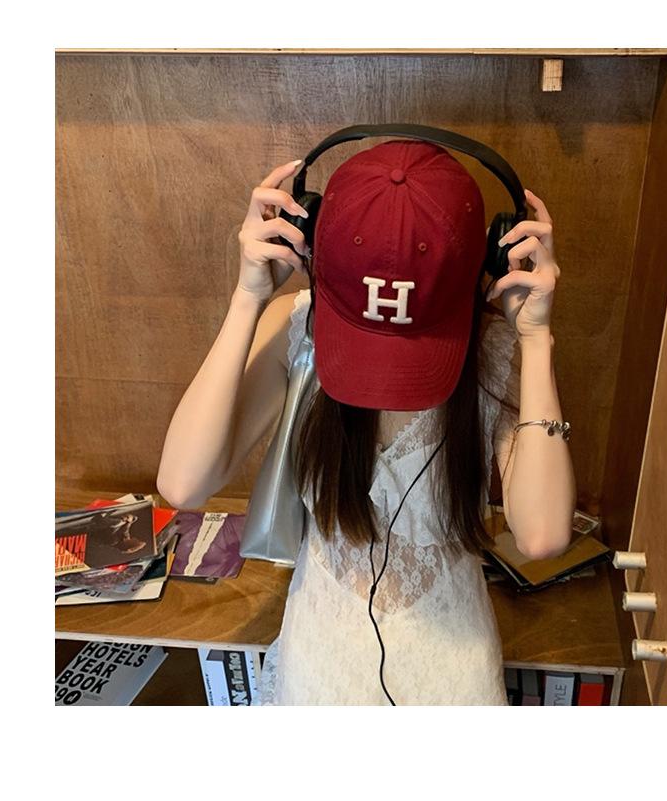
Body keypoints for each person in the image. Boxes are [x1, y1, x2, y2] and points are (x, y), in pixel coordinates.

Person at [156, 140, 576, 705]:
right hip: (319, 665)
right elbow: (183, 484)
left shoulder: (493, 350)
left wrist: (536, 339)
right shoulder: (298, 329)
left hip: (451, 674)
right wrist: (247, 297)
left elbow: (542, 535)